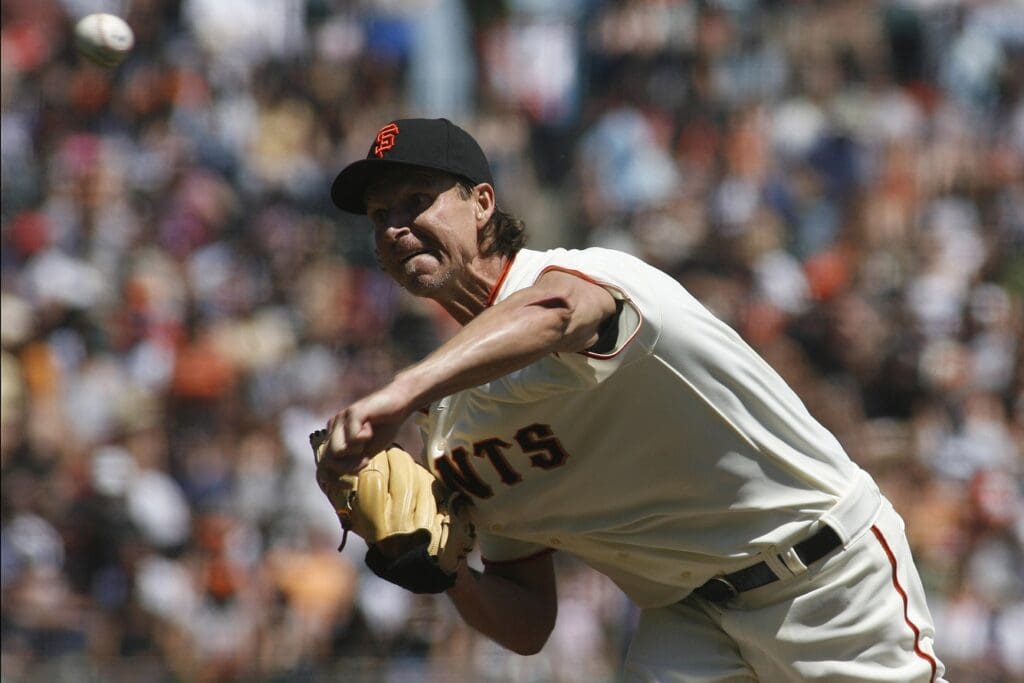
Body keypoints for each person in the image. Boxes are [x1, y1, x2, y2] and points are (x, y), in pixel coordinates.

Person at [320, 117, 946, 682]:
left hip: (823, 572)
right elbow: (529, 620)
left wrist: (402, 391)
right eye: (380, 216)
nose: (397, 226)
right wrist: (443, 573)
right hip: (687, 618)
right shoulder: (452, 430)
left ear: (482, 204)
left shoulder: (584, 276)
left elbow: (560, 313)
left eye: (416, 200)